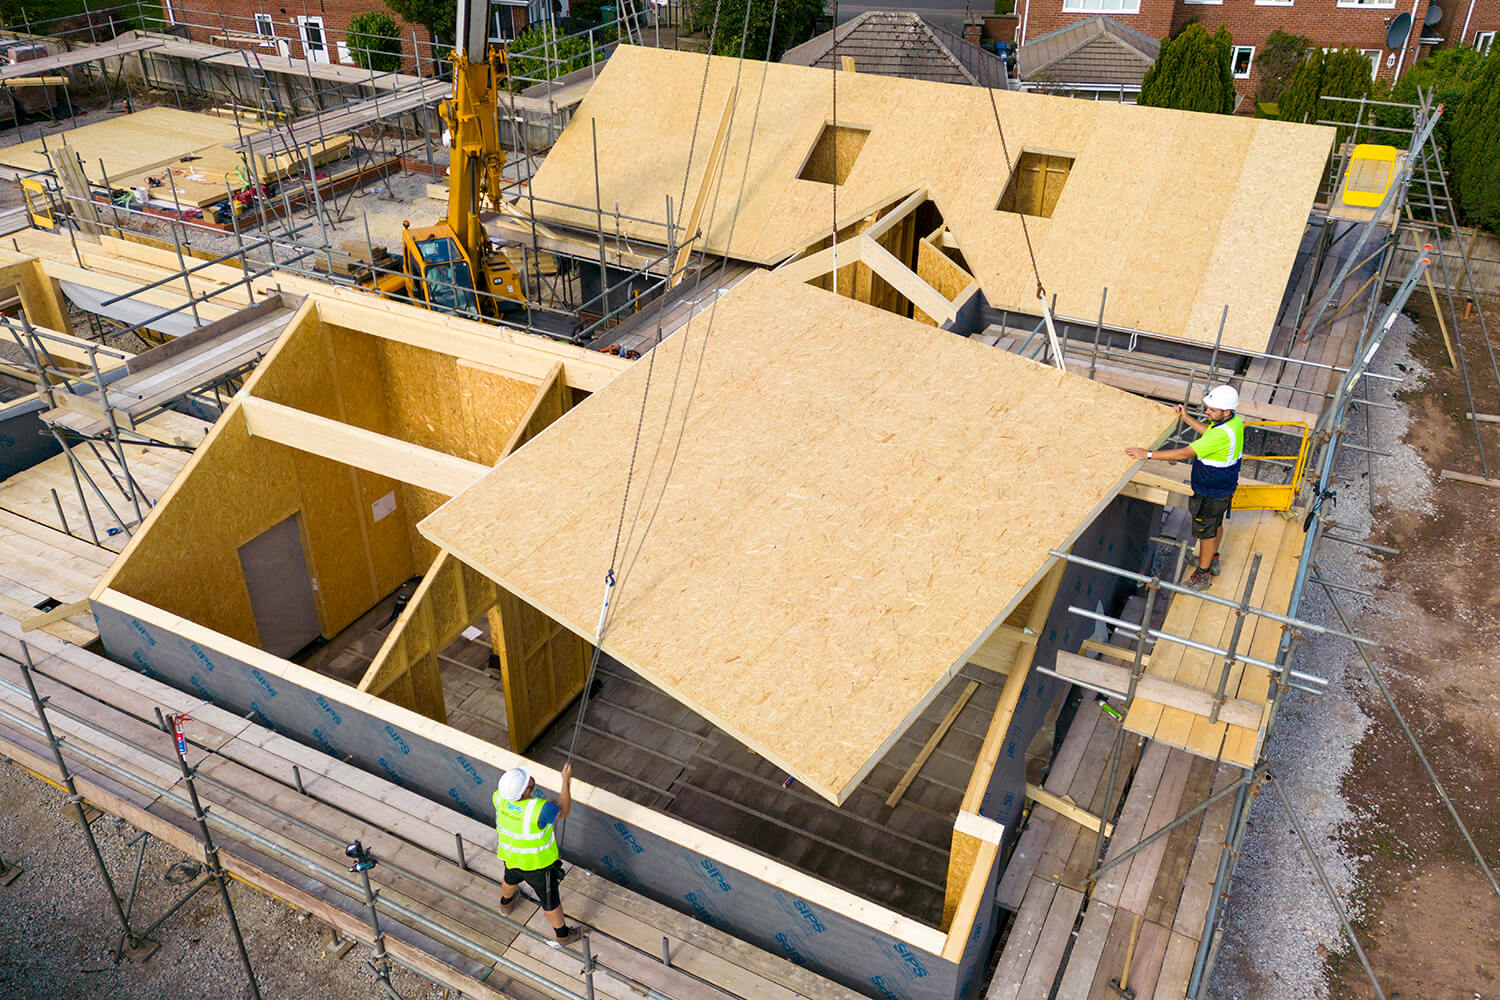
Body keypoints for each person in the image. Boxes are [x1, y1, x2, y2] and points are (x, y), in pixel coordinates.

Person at [1124, 384, 1244, 592]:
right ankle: (1212, 560)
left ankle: (1202, 575)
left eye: (1212, 410)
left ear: (1225, 411)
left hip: (1209, 492)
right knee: (1215, 524)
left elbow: (1184, 453)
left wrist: (1148, 454)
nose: (1207, 411)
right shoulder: (1233, 423)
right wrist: (1186, 418)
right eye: (1208, 407)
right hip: (1222, 487)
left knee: (1205, 532)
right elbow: (1208, 433)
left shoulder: (1221, 435)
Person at [495, 763, 581, 946]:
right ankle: (563, 935)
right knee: (550, 901)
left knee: (510, 879)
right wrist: (566, 780)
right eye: (528, 780)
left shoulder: (499, 798)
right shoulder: (539, 809)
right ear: (526, 791)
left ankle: (505, 904)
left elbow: (521, 810)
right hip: (539, 866)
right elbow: (563, 810)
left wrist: (546, 804)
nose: (531, 778)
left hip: (511, 857)